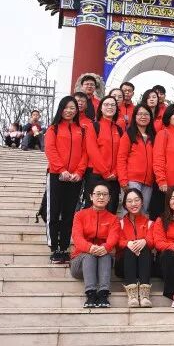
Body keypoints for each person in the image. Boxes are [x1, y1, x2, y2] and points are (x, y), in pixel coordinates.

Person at [44, 96, 87, 264]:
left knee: (69, 214)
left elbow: (85, 153)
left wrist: (79, 172)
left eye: (72, 108)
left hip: (75, 178)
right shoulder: (53, 129)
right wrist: (61, 169)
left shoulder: (81, 130)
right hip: (56, 175)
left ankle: (64, 247)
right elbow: (50, 149)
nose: (69, 111)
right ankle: (54, 247)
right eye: (66, 107)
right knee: (54, 212)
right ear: (61, 109)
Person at [70, 181, 120, 308]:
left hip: (103, 262)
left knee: (105, 255)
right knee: (89, 255)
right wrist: (90, 248)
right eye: (98, 194)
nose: (101, 197)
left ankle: (103, 294)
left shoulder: (113, 219)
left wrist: (105, 247)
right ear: (91, 196)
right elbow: (77, 238)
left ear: (109, 198)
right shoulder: (80, 215)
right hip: (80, 263)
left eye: (104, 194)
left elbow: (114, 238)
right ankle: (91, 294)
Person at [85, 96, 123, 214]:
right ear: (101, 108)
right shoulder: (94, 126)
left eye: (113, 105)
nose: (110, 107)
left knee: (111, 210)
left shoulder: (119, 130)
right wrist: (105, 172)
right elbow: (92, 151)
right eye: (106, 104)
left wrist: (116, 172)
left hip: (114, 177)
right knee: (93, 209)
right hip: (96, 174)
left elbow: (122, 153)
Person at [116, 189, 154, 307]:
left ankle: (144, 295)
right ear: (125, 204)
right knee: (130, 248)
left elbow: (153, 242)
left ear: (142, 202)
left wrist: (144, 241)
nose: (133, 204)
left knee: (145, 247)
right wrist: (128, 244)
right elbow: (116, 241)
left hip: (145, 265)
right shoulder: (119, 223)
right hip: (124, 265)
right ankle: (132, 295)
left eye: (137, 200)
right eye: (129, 201)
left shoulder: (150, 223)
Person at [117, 105, 156, 214]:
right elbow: (121, 158)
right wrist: (123, 180)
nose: (143, 117)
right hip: (132, 180)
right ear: (134, 116)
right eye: (140, 114)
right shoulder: (128, 135)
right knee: (129, 212)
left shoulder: (153, 136)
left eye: (146, 114)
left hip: (148, 182)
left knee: (142, 213)